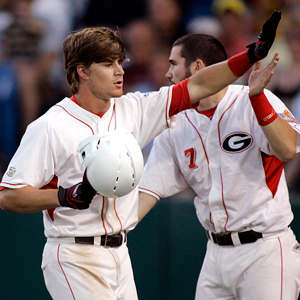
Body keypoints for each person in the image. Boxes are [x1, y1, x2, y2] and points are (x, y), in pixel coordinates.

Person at [0, 11, 280, 300]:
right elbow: (9, 196)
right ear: (82, 71)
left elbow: (198, 85)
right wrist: (64, 196)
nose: (120, 71)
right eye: (108, 65)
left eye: (120, 62)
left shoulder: (132, 107)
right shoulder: (50, 125)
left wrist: (250, 55)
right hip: (74, 253)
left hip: (120, 254)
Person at [138, 32, 300, 299]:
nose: (168, 73)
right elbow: (148, 191)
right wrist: (109, 227)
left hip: (265, 250)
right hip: (214, 254)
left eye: (173, 63)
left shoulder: (251, 100)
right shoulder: (176, 122)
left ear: (197, 67)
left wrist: (258, 97)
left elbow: (286, 150)